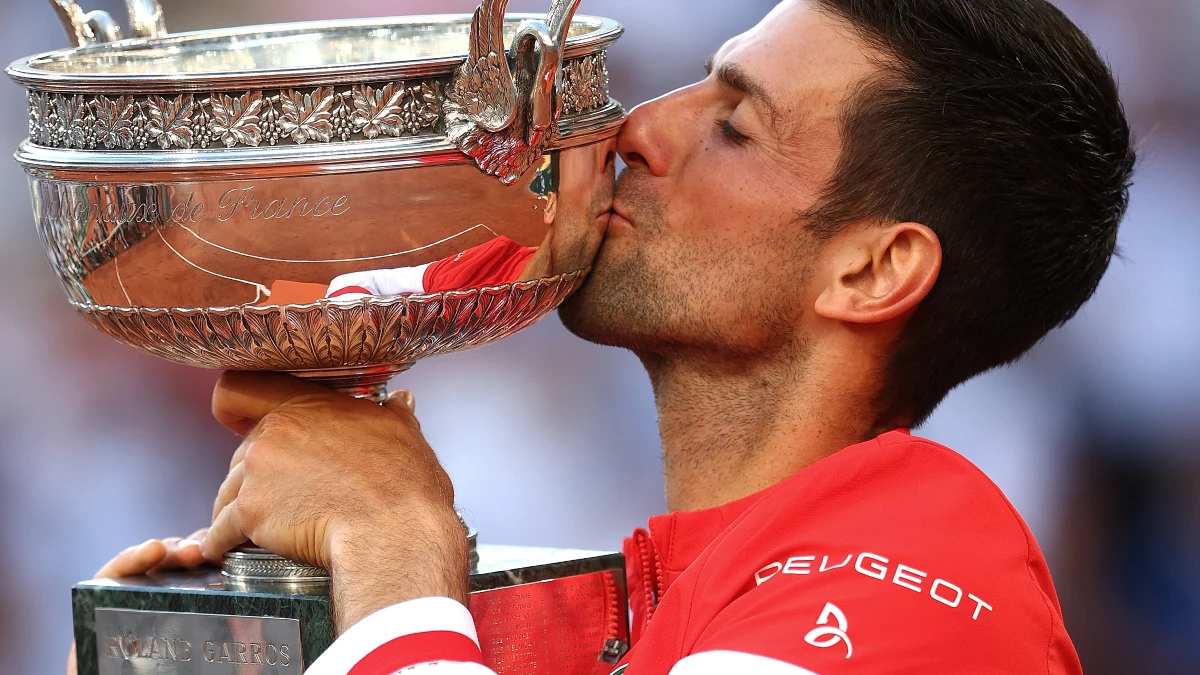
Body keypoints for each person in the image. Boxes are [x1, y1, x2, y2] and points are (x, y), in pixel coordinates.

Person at [80, 0, 1135, 673]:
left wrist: (388, 535)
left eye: (734, 125)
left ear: (873, 269)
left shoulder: (916, 594)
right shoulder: (655, 609)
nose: (638, 128)